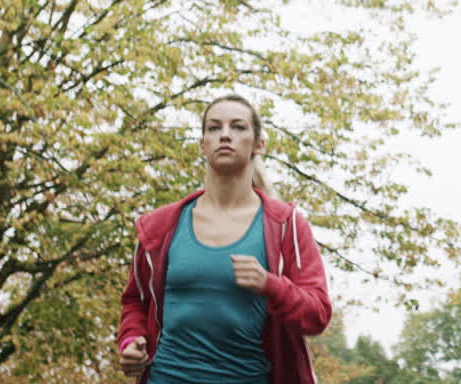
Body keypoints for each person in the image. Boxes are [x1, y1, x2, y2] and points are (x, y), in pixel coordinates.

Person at [117, 94, 331, 384]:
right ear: (203, 144)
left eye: (238, 127)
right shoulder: (160, 227)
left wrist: (270, 285)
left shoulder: (285, 226)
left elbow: (317, 314)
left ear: (259, 145)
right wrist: (131, 340)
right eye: (214, 127)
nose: (225, 135)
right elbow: (135, 302)